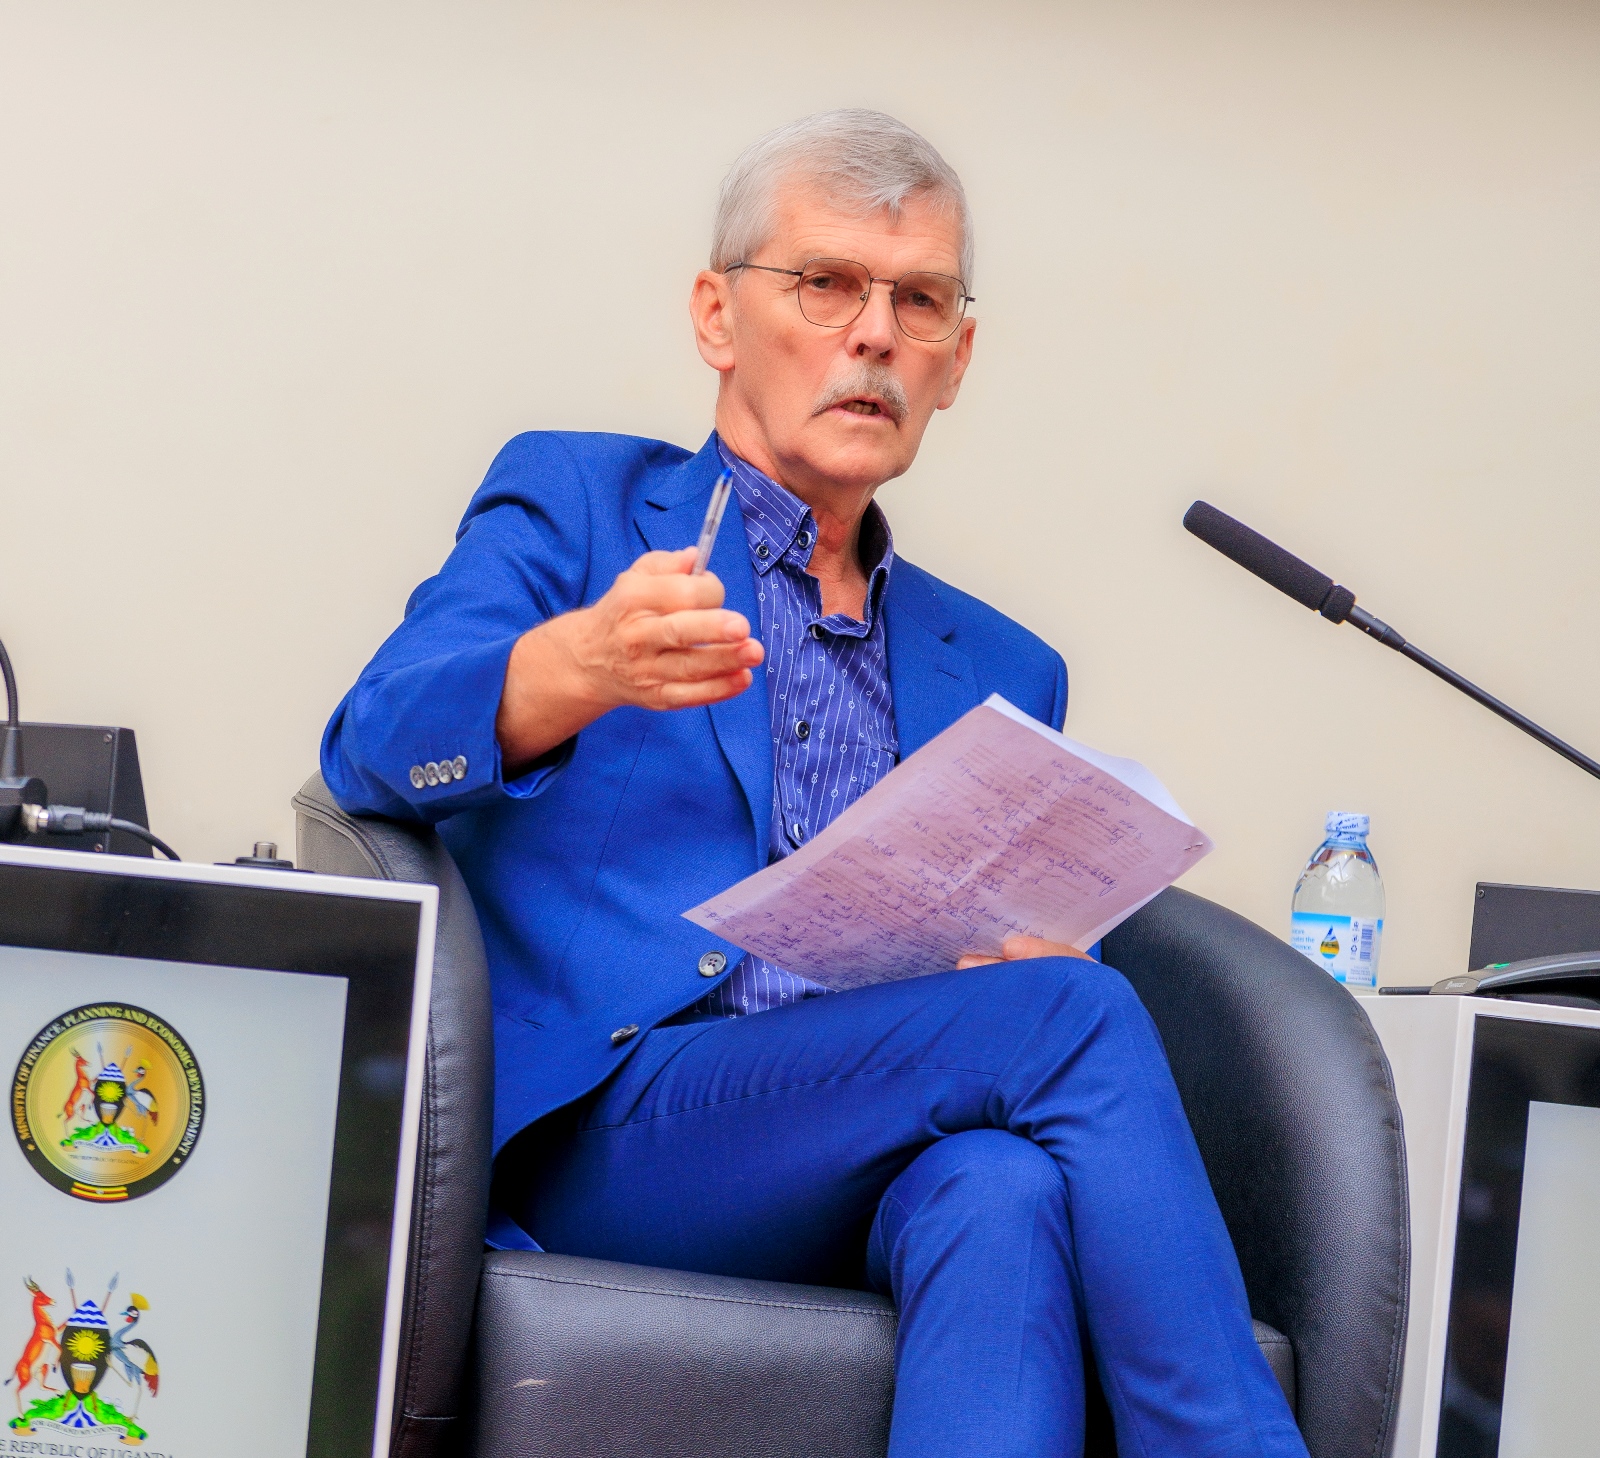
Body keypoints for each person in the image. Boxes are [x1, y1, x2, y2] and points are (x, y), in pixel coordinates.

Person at [322, 109, 1307, 1458]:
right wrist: (570, 668)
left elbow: (989, 976)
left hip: (873, 1132)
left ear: (958, 359)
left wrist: (1007, 963)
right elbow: (370, 738)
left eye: (919, 301)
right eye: (826, 284)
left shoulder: (1006, 664)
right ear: (718, 316)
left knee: (1004, 1186)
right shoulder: (584, 505)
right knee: (1072, 1018)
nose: (875, 334)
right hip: (623, 1130)